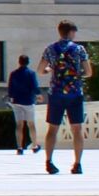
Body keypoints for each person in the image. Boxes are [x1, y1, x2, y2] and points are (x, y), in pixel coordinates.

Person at [39, 20, 89, 175]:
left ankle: (49, 161)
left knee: (52, 128)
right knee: (77, 128)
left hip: (56, 92)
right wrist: (77, 74)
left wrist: (50, 69)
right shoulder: (79, 49)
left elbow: (40, 70)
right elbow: (89, 72)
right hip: (74, 92)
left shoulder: (51, 49)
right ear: (72, 32)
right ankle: (77, 163)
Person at [5, 55, 40, 155]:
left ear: (19, 62)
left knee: (19, 125)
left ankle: (19, 147)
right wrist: (38, 94)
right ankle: (34, 145)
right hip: (28, 101)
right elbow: (34, 86)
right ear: (28, 62)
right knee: (31, 124)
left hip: (17, 101)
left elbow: (10, 87)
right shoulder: (31, 73)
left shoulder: (14, 74)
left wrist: (11, 97)